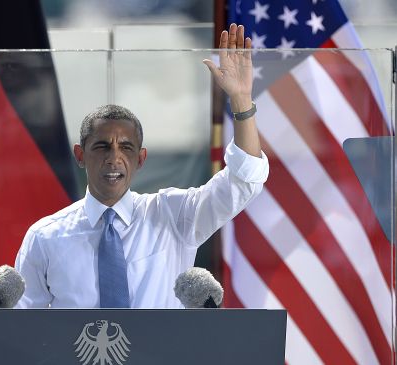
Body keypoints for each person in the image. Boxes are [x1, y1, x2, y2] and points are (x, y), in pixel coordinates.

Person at [14, 23, 269, 308]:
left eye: (126, 147)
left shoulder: (172, 215)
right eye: (101, 146)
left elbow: (244, 180)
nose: (114, 157)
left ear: (141, 159)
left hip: (163, 354)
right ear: (80, 154)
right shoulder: (45, 236)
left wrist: (241, 99)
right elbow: (24, 329)